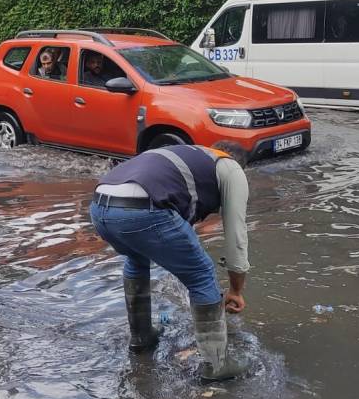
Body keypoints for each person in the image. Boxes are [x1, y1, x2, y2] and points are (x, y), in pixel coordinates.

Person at [90, 141, 251, 381]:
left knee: (136, 258)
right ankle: (217, 365)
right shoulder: (230, 168)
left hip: (100, 207)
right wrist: (236, 289)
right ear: (237, 162)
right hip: (143, 209)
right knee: (202, 275)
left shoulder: (187, 155)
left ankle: (142, 337)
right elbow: (237, 237)